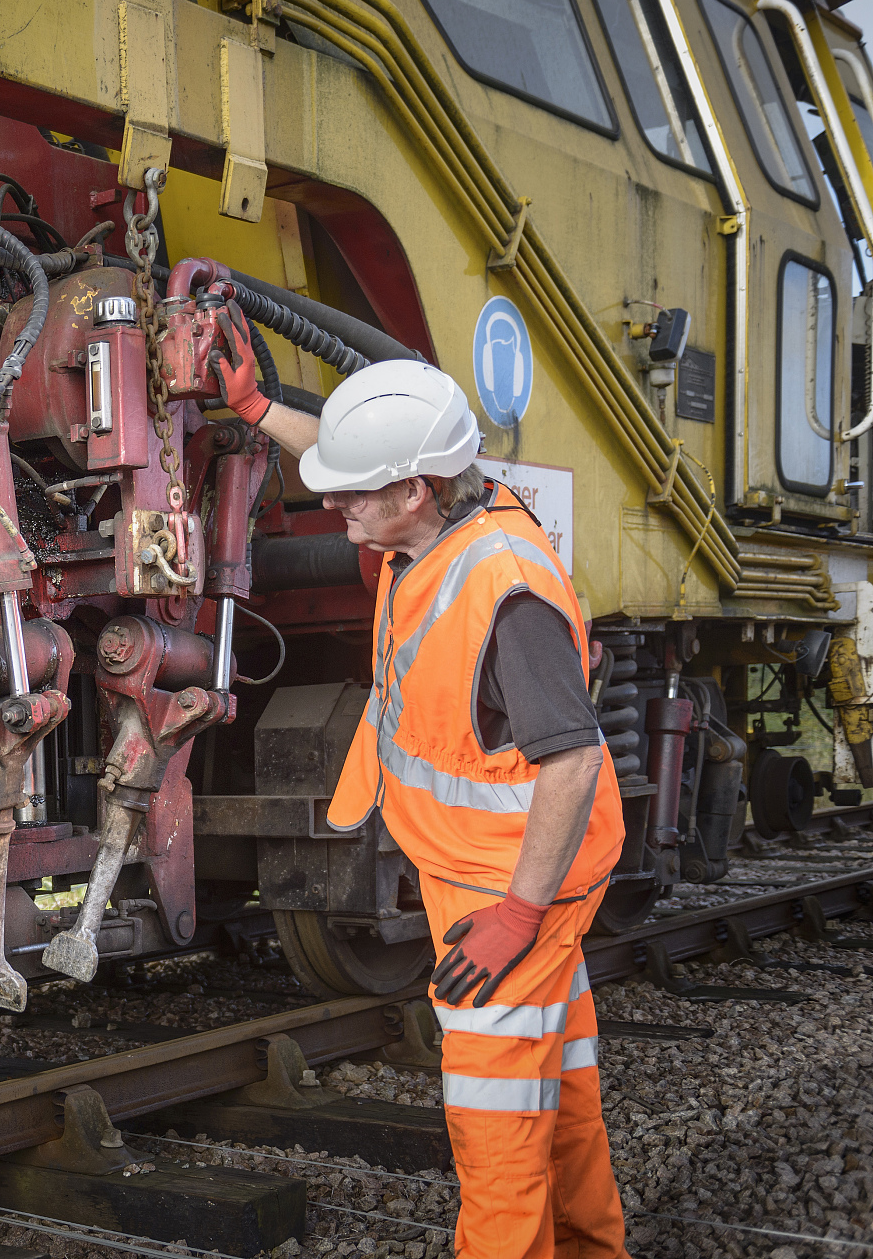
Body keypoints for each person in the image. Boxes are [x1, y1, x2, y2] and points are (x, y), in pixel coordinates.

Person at [219, 347, 630, 1259]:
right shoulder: (434, 516)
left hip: (511, 890)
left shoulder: (503, 590)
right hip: (489, 871)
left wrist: (516, 915)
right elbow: (341, 447)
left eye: (356, 494)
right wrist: (253, 407)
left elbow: (572, 764)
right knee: (559, 1103)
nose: (336, 507)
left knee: (498, 1141)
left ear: (414, 491)